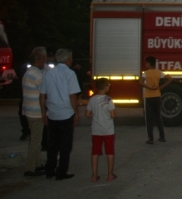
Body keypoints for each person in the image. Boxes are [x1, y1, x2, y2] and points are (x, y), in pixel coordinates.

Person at [40, 48, 81, 180]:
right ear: (68, 59)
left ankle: (50, 169)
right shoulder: (70, 74)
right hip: (66, 113)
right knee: (65, 145)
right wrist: (76, 112)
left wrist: (43, 112)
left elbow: (42, 95)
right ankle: (61, 171)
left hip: (52, 113)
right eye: (71, 58)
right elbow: (72, 96)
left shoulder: (48, 73)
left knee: (52, 144)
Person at [85, 78, 117, 182]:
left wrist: (95, 115)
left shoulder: (92, 99)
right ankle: (110, 174)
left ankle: (94, 175)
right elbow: (113, 115)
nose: (109, 86)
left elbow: (87, 114)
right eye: (108, 85)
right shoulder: (108, 99)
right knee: (110, 152)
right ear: (104, 87)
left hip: (96, 130)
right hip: (108, 130)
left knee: (95, 152)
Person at [22, 48, 46, 177]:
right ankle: (30, 167)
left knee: (36, 138)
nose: (45, 61)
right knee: (36, 140)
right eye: (43, 59)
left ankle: (37, 164)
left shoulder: (29, 72)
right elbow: (44, 94)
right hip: (36, 112)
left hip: (29, 110)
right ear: (38, 60)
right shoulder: (37, 75)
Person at [139, 56, 172, 144]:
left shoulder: (145, 73)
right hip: (157, 95)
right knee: (158, 117)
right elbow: (170, 79)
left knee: (149, 118)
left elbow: (140, 82)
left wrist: (149, 87)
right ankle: (162, 136)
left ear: (149, 63)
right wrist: (162, 86)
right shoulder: (159, 72)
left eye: (146, 63)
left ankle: (151, 138)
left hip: (148, 96)